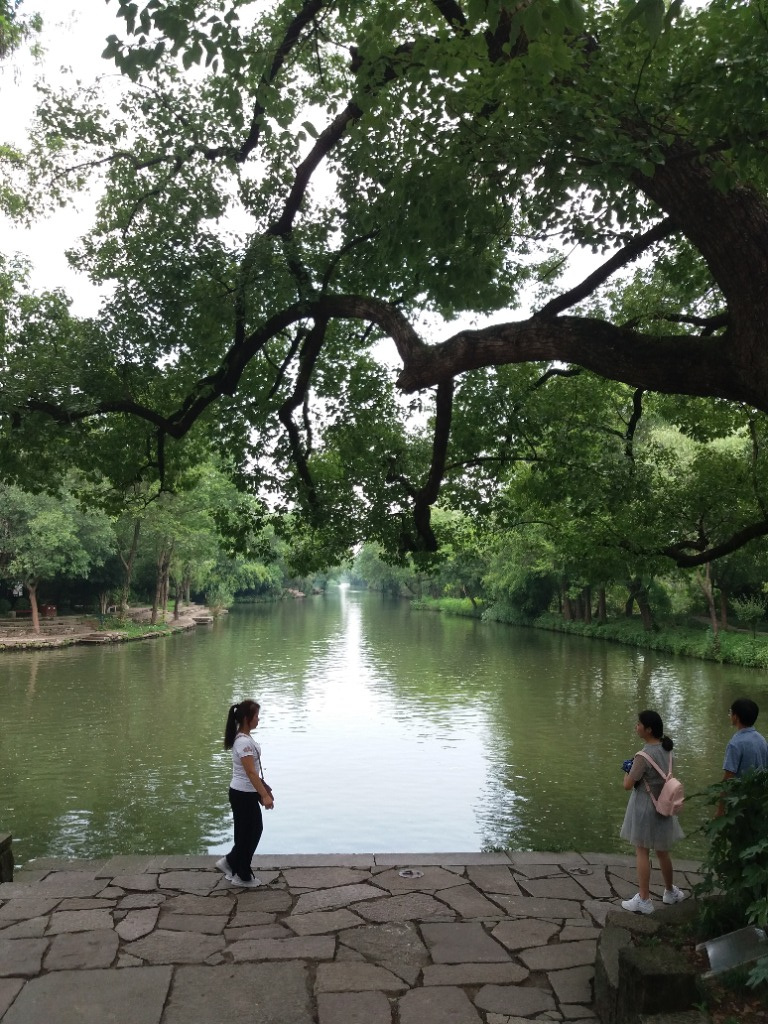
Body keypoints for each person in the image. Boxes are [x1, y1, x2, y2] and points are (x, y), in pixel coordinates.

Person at [619, 709, 686, 914]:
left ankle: (644, 899)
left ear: (648, 729)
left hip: (644, 808)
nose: (636, 727)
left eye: (639, 724)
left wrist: (627, 770)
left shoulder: (643, 756)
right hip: (663, 806)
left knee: (642, 851)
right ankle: (670, 892)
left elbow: (628, 785)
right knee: (663, 852)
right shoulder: (667, 749)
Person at [215, 699, 274, 888]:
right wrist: (264, 795)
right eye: (256, 716)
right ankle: (236, 867)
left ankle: (237, 869)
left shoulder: (244, 739)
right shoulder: (243, 742)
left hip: (243, 793)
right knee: (253, 831)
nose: (258, 719)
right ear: (247, 718)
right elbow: (250, 772)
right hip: (243, 794)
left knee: (245, 833)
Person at [716, 697, 768, 816]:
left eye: (731, 712)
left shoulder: (735, 744)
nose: (730, 715)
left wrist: (720, 809)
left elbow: (728, 779)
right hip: (759, 801)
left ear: (736, 717)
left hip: (739, 803)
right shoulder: (762, 740)